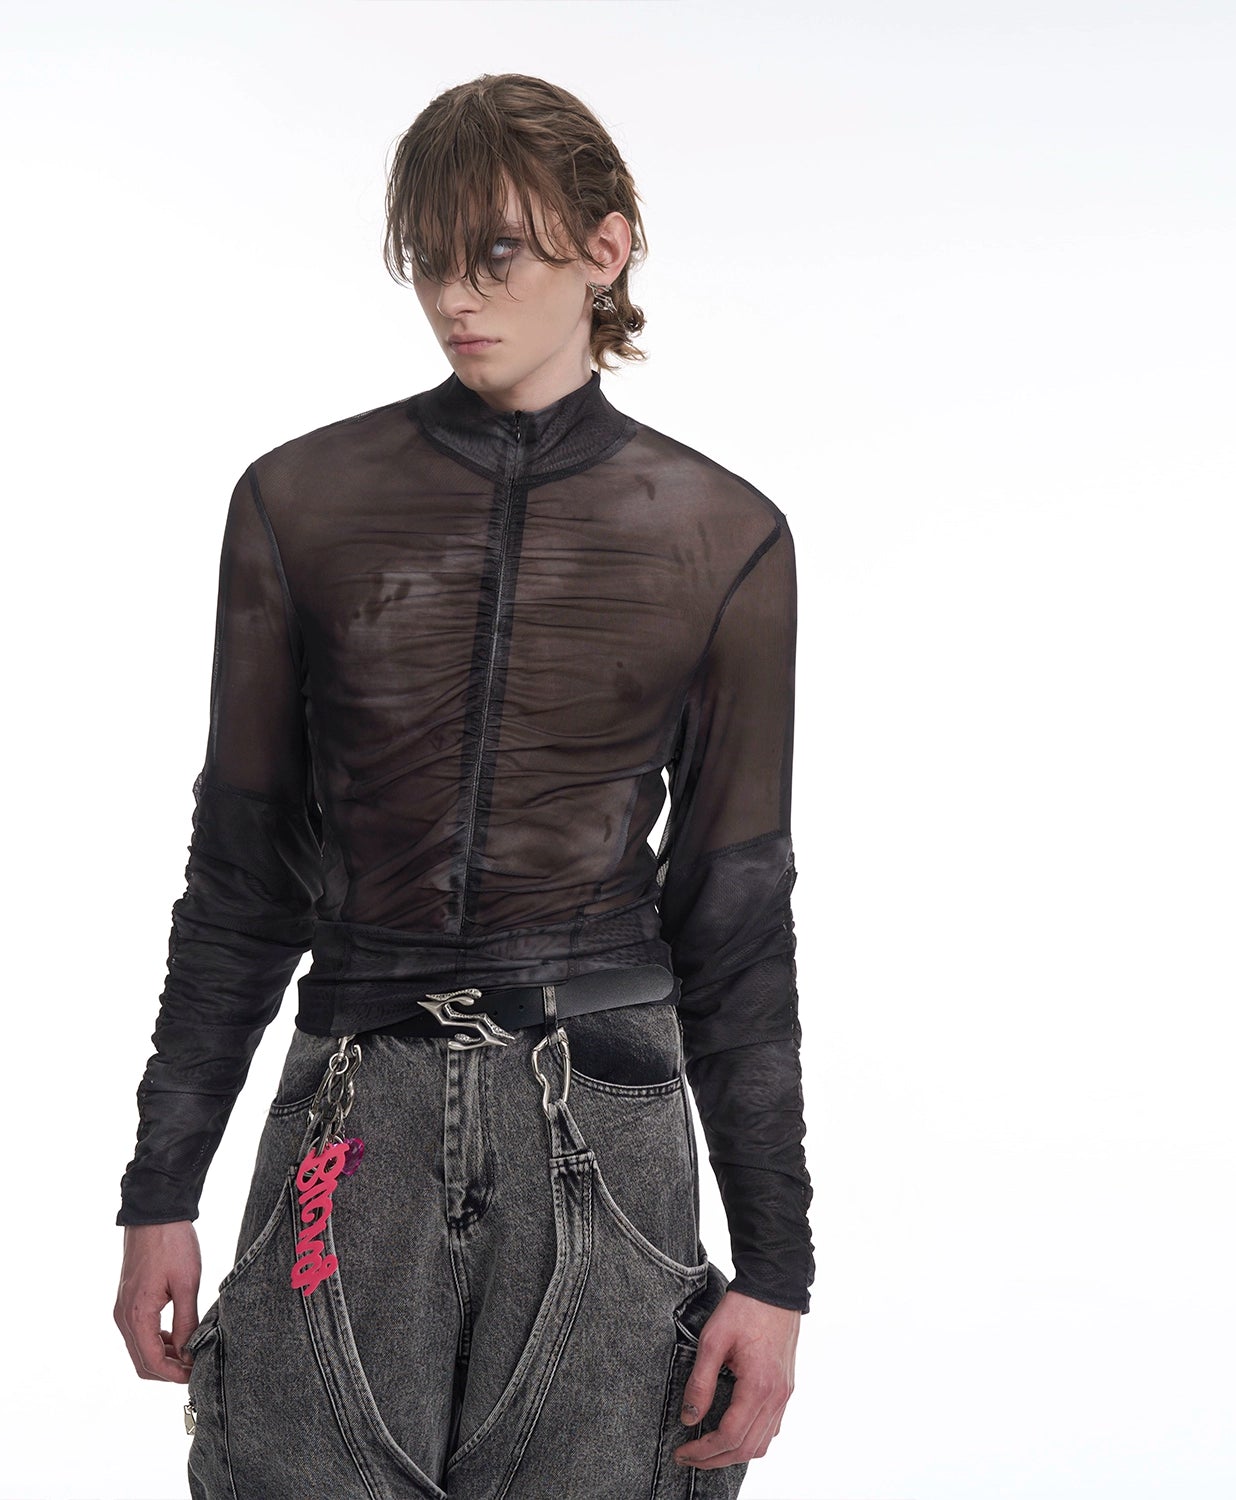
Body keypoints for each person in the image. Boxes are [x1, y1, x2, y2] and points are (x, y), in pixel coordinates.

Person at [112, 72, 815, 1499]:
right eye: (429, 259)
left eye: (494, 253)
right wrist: (160, 1187)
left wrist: (777, 1271)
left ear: (605, 248)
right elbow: (243, 874)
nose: (453, 295)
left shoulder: (724, 535)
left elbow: (734, 911)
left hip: (606, 1114)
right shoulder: (300, 502)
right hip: (350, 1100)